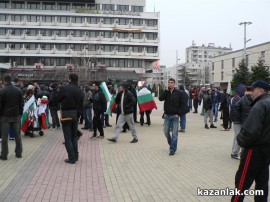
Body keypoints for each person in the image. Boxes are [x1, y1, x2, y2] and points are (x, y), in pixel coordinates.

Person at [232, 80, 270, 202]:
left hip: (254, 150)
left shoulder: (259, 106)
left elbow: (250, 132)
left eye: (253, 89)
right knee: (262, 183)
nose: (251, 92)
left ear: (261, 90)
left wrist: (240, 140)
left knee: (242, 182)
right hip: (266, 150)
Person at [56, 73, 83, 164]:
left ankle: (71, 157)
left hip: (66, 114)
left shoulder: (64, 88)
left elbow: (58, 99)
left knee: (67, 137)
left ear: (69, 79)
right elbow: (81, 103)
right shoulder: (79, 90)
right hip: (75, 114)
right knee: (74, 136)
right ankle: (75, 155)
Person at [0, 75, 24, 160]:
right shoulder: (18, 90)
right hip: (16, 116)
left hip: (5, 117)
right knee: (18, 136)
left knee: (4, 137)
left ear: (4, 81)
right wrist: (20, 113)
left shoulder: (2, 91)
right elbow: (22, 103)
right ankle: (18, 153)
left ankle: (4, 155)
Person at [159, 78, 181, 156]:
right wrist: (165, 91)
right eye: (169, 83)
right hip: (167, 115)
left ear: (174, 84)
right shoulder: (166, 92)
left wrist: (179, 113)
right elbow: (160, 99)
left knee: (175, 133)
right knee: (166, 132)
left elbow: (182, 104)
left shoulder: (178, 93)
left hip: (175, 116)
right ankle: (171, 142)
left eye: (172, 83)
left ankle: (172, 149)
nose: (170, 84)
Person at [229, 84, 246, 159]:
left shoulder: (236, 98)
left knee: (236, 137)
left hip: (236, 120)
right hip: (238, 121)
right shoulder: (239, 99)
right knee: (238, 137)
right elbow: (238, 111)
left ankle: (234, 151)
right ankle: (235, 153)